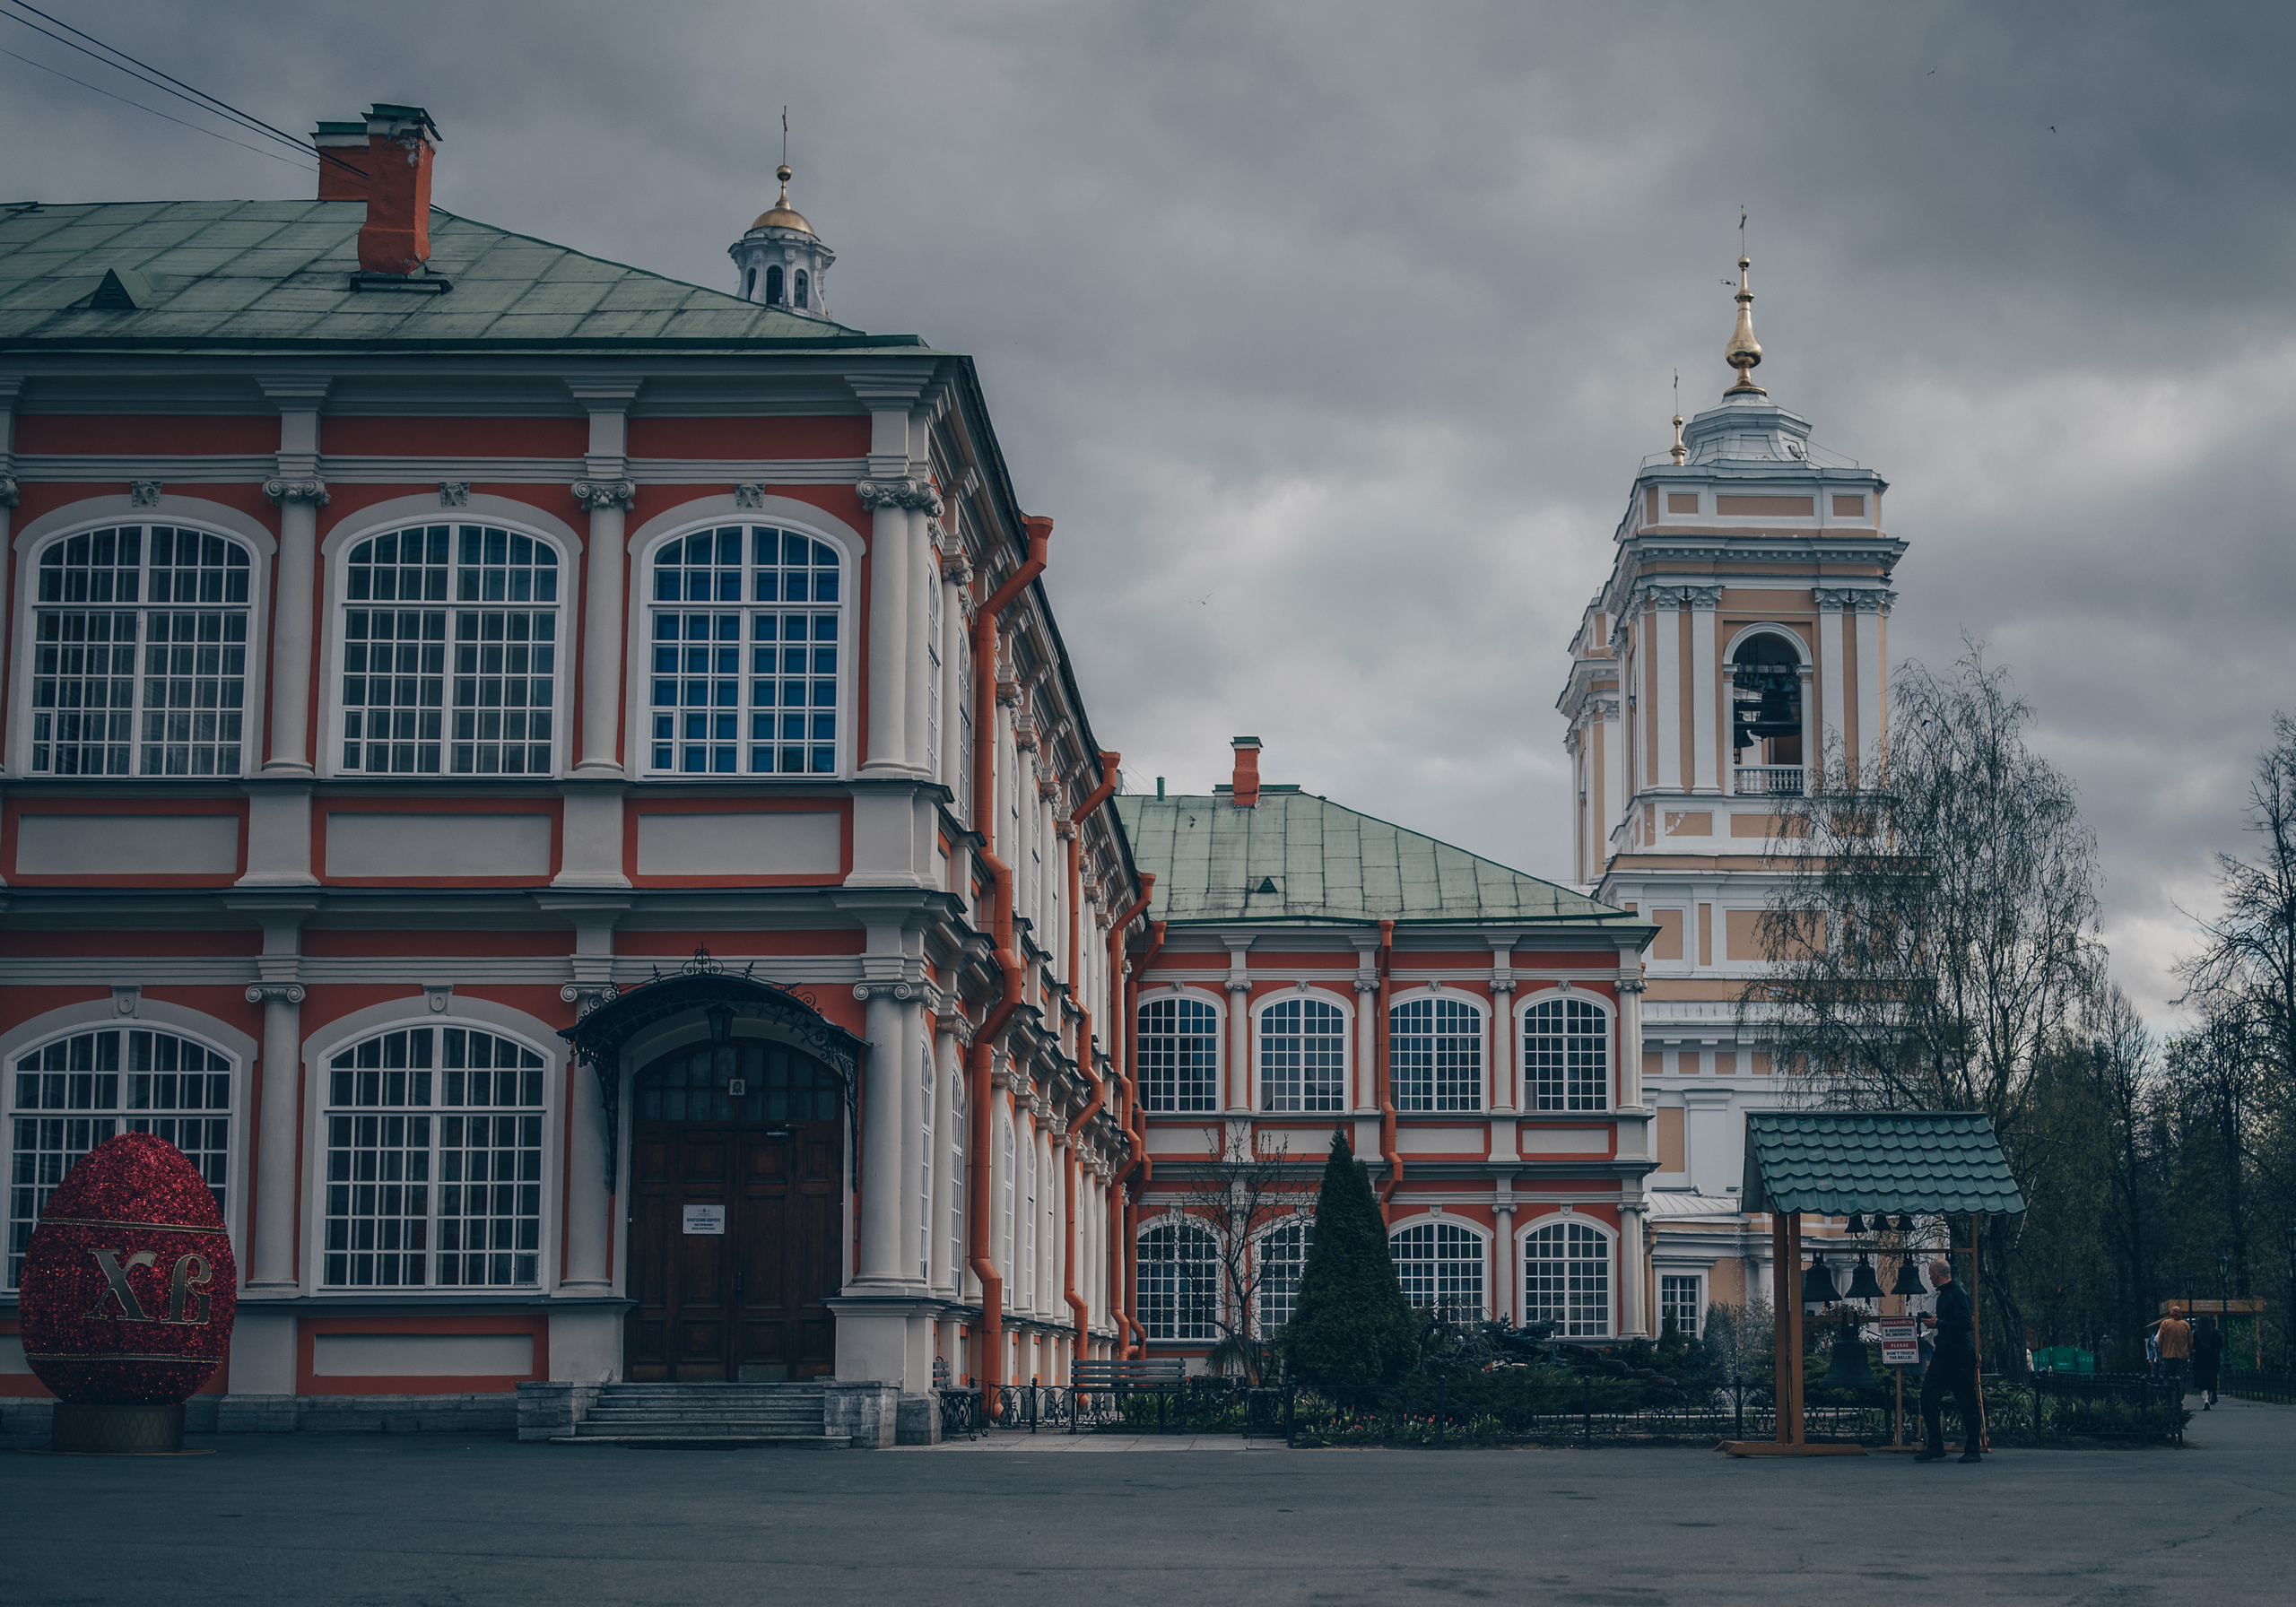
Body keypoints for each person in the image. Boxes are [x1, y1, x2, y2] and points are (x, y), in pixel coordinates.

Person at [1916, 1257, 1984, 1464]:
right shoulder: (1945, 1296)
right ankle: (1936, 1446)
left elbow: (1965, 1324)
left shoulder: (1957, 1294)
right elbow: (1948, 1326)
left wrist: (1939, 1323)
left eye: (1930, 1274)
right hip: (1943, 1356)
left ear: (1937, 1274)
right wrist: (1938, 1324)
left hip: (1960, 1356)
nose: (1929, 1278)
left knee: (1967, 1402)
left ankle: (1973, 1450)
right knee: (1927, 1398)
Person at [2152, 1307, 2192, 1401]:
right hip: (2182, 1356)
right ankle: (2178, 1399)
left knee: (2166, 1378)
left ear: (2171, 1313)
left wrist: (2162, 1351)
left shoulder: (2165, 1323)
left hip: (2168, 1356)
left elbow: (2160, 1340)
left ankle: (2167, 1399)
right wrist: (2188, 1352)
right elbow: (2190, 1341)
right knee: (2180, 1380)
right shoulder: (2186, 1325)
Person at [2191, 1315, 2223, 1410]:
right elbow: (2220, 1345)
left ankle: (2205, 1400)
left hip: (2200, 1360)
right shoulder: (2216, 1333)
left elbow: (2194, 1346)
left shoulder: (2197, 1334)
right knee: (2211, 1378)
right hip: (2213, 1359)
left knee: (2202, 1381)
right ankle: (2212, 1394)